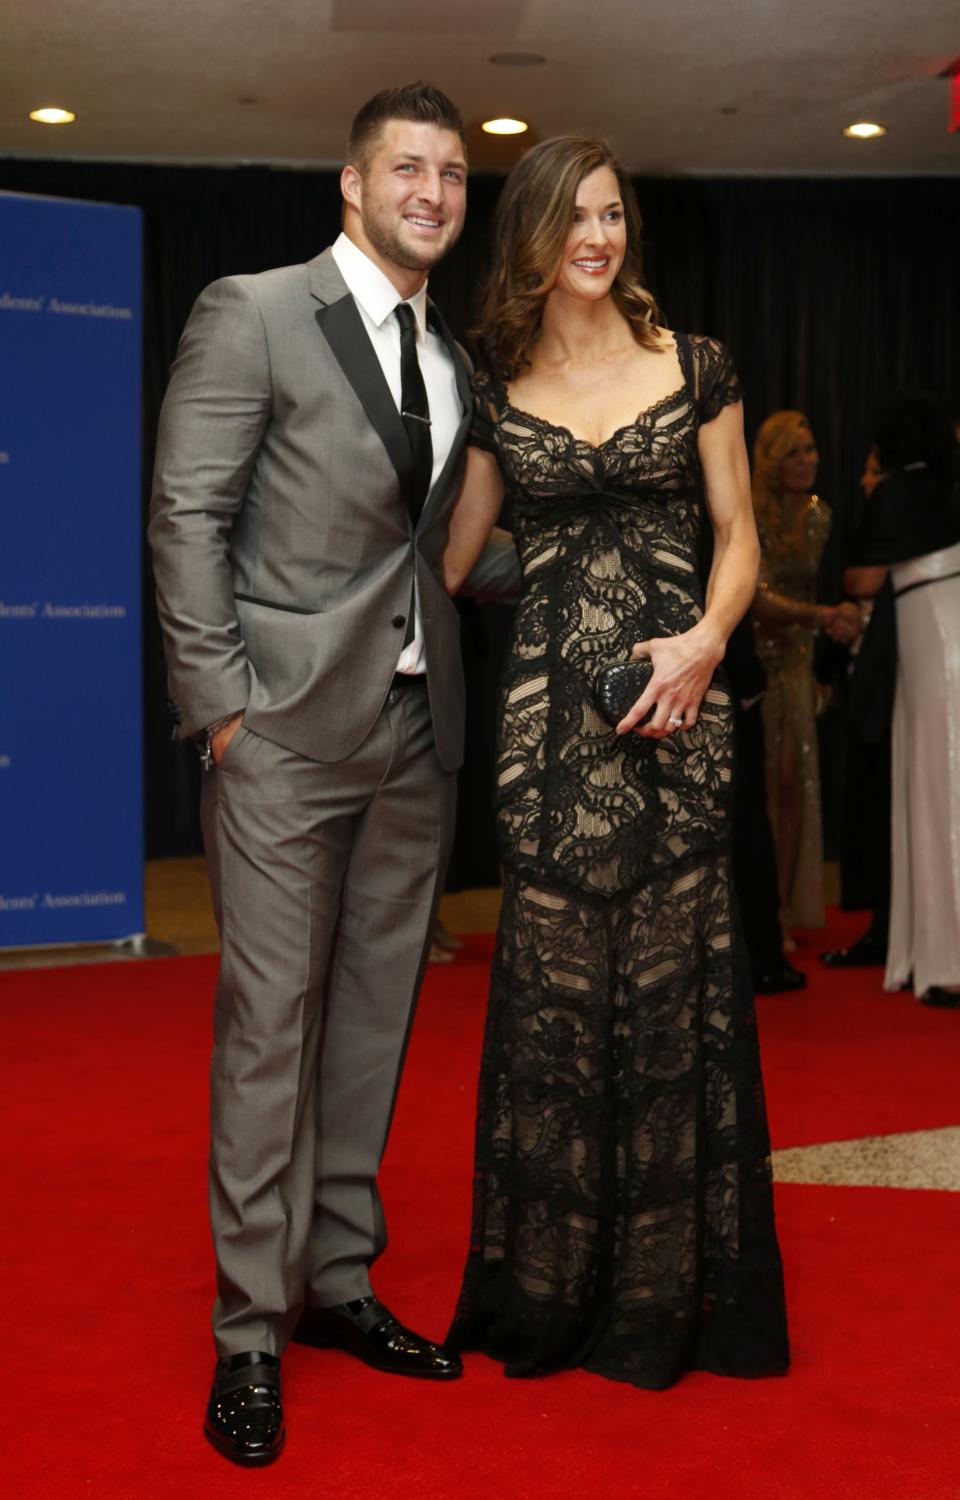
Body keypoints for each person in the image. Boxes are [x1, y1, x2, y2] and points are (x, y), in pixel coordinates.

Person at [149, 82, 518, 1466]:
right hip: (284, 742)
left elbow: (437, 552)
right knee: (270, 1031)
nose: (433, 191)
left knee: (371, 1025)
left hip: (414, 743)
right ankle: (250, 1326)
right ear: (352, 187)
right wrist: (223, 713)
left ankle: (337, 1283)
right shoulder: (254, 310)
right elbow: (188, 512)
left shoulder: (450, 354)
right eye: (408, 169)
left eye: (455, 175)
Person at [440, 135, 789, 1389]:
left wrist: (701, 643)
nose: (599, 237)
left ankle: (665, 1296)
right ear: (529, 237)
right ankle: (545, 1289)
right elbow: (451, 560)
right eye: (573, 218)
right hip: (545, 736)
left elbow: (739, 534)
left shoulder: (693, 367)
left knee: (670, 998)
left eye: (612, 216)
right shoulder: (491, 383)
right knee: (554, 1001)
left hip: (680, 714)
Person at [846, 392, 960, 1007]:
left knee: (935, 794)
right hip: (951, 637)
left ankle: (945, 958)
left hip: (933, 656)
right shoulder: (949, 486)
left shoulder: (896, 492)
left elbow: (861, 580)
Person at [750, 412, 859, 936]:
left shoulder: (820, 514)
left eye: (811, 449)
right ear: (770, 460)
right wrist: (825, 617)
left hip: (797, 664)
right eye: (793, 451)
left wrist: (822, 664)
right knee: (763, 787)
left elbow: (825, 590)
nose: (806, 461)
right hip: (752, 663)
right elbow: (756, 597)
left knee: (794, 785)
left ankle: (789, 907)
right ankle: (760, 910)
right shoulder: (752, 514)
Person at [821, 449, 896, 968]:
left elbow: (861, 582)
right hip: (866, 677)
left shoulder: (907, 519)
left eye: (874, 470)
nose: (864, 479)